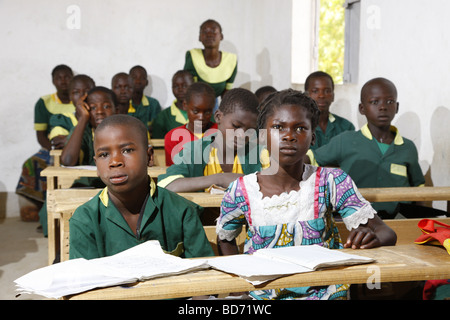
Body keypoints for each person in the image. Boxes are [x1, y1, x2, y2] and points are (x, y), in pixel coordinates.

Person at [216, 89, 397, 300]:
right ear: (263, 137)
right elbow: (225, 238)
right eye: (278, 127)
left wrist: (372, 238)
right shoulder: (241, 190)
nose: (289, 136)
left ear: (313, 138)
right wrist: (240, 284)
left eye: (300, 128)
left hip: (324, 294)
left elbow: (387, 233)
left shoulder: (332, 182)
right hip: (262, 297)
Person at [69, 114, 214, 259]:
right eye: (104, 154)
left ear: (149, 156)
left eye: (127, 150)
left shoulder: (182, 211)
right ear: (96, 165)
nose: (115, 162)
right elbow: (85, 279)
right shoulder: (85, 219)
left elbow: (202, 275)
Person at [307, 77, 426, 218]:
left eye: (390, 102)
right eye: (374, 102)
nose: (383, 107)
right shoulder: (345, 141)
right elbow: (310, 158)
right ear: (362, 108)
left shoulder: (407, 147)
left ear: (397, 107)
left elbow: (419, 189)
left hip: (398, 221)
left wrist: (420, 222)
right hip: (355, 221)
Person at [38, 86, 117, 239]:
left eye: (106, 106)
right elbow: (67, 161)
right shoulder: (84, 130)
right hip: (89, 187)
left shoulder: (124, 129)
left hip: (116, 187)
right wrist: (83, 120)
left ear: (117, 108)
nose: (100, 111)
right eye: (92, 108)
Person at [157, 87, 263, 193]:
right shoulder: (194, 151)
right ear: (218, 117)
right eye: (236, 126)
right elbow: (167, 185)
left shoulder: (259, 154)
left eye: (250, 130)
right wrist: (220, 179)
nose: (242, 135)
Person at [16, 65, 74, 221]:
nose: (63, 81)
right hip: (52, 147)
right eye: (59, 78)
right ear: (53, 81)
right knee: (32, 164)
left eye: (67, 77)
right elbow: (41, 135)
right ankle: (45, 212)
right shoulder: (44, 102)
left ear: (72, 78)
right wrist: (53, 151)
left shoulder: (79, 98)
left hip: (77, 146)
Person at [184, 19, 237, 111]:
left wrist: (224, 114)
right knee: (198, 125)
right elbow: (189, 88)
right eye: (205, 31)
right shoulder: (192, 57)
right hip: (197, 105)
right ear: (199, 37)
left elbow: (226, 92)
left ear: (221, 36)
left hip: (216, 105)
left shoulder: (231, 60)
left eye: (213, 31)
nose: (209, 34)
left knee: (214, 124)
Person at [164, 82, 218, 166]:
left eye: (207, 112)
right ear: (185, 105)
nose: (201, 117)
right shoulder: (172, 138)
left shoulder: (220, 132)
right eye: (196, 111)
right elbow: (173, 174)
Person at [304, 71, 355, 149]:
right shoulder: (298, 127)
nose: (321, 95)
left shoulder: (346, 127)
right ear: (306, 96)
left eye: (327, 91)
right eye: (315, 91)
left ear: (333, 96)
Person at [48, 74, 96, 148]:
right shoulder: (63, 119)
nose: (82, 96)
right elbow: (58, 142)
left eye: (87, 91)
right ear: (70, 96)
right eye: (76, 92)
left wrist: (68, 140)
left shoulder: (100, 117)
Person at [151, 70, 194, 139]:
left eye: (184, 86)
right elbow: (158, 145)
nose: (180, 89)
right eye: (176, 86)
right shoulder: (163, 117)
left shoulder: (203, 113)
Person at [128, 65, 162, 134]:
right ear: (128, 81)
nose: (138, 81)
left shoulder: (153, 104)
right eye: (134, 78)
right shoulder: (124, 103)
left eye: (142, 78)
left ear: (147, 82)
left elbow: (156, 128)